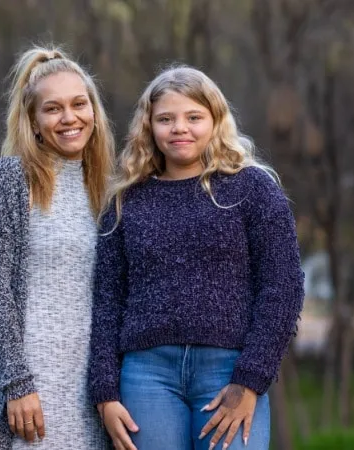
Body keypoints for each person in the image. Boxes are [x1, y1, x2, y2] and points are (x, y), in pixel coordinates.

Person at [89, 65, 305, 450]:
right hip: (146, 377)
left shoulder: (253, 189)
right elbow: (107, 301)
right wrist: (105, 393)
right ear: (149, 126)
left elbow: (282, 288)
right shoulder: (127, 201)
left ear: (216, 120)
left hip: (229, 373)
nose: (179, 128)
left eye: (193, 117)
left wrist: (250, 380)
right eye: (165, 119)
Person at [0, 44, 115, 450]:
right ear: (33, 121)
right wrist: (17, 384)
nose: (70, 118)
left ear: (94, 112)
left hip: (98, 387)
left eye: (79, 104)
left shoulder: (108, 186)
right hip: (33, 387)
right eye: (53, 109)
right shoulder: (10, 180)